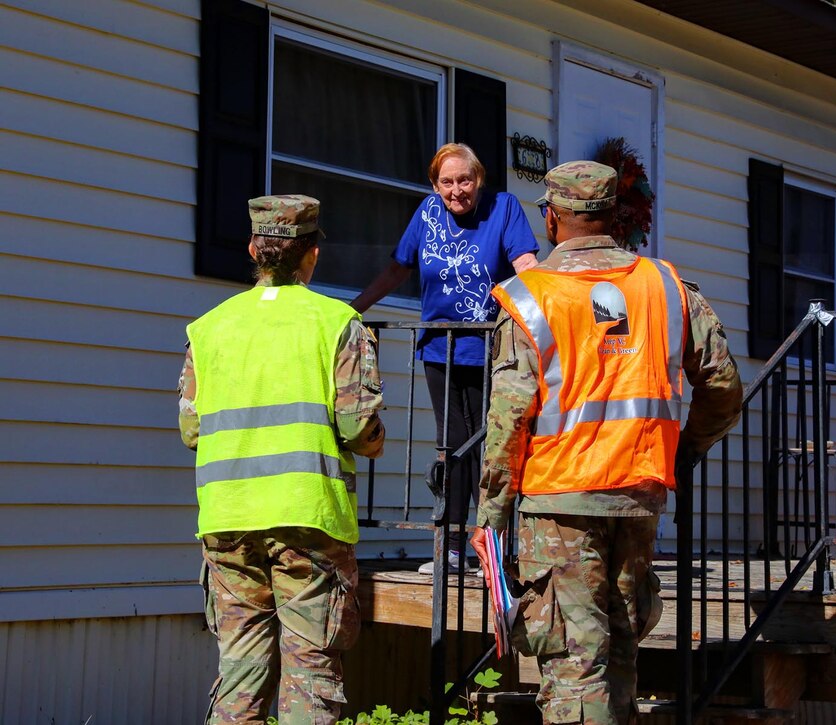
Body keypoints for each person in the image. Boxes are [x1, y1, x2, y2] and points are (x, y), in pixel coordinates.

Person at [470, 161, 743, 724]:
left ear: (552, 216)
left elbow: (508, 418)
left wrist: (490, 516)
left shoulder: (530, 295)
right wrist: (684, 451)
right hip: (638, 492)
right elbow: (723, 385)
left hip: (558, 500)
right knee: (620, 650)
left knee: (575, 661)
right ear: (613, 215)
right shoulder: (666, 286)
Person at [178, 194, 386, 725]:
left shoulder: (207, 329)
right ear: (311, 254)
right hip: (307, 516)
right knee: (311, 679)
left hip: (227, 518)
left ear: (253, 248)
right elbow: (358, 427)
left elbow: (191, 429)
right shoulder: (337, 323)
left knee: (240, 673)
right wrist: (375, 441)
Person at [351, 143, 539, 574]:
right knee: (451, 444)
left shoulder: (503, 208)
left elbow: (525, 264)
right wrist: (356, 306)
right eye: (447, 182)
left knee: (486, 445)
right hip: (440, 349)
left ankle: (490, 542)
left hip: (489, 348)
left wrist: (557, 307)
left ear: (479, 179)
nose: (457, 190)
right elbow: (400, 268)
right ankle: (453, 545)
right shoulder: (427, 213)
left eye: (465, 180)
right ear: (435, 185)